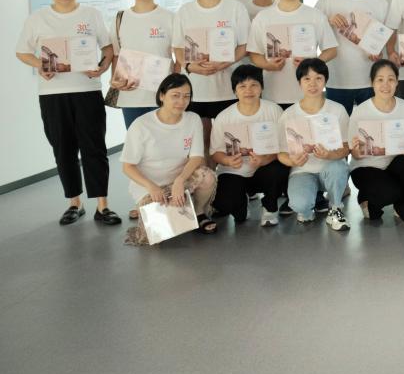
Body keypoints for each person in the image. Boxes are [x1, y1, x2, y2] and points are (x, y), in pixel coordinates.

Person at [16, 0, 121, 226]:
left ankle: (103, 205)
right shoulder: (38, 18)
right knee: (63, 149)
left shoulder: (91, 14)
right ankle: (74, 203)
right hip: (53, 94)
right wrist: (40, 65)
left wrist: (102, 67)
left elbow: (108, 48)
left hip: (87, 91)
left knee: (94, 148)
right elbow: (22, 51)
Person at [121, 74, 218, 245]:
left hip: (180, 182)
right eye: (175, 95)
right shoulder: (141, 125)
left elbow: (196, 156)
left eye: (186, 96)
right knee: (153, 237)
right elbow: (127, 166)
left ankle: (199, 212)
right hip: (152, 188)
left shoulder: (192, 119)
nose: (181, 101)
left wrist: (179, 180)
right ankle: (173, 209)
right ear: (161, 96)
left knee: (207, 176)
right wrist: (151, 187)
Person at [172, 0, 251, 153]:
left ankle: (226, 173)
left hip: (229, 88)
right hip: (197, 89)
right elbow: (178, 48)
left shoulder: (235, 8)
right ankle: (206, 174)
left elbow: (245, 46)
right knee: (202, 143)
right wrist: (189, 66)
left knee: (230, 142)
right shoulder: (185, 11)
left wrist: (223, 63)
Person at [209, 65, 290, 226]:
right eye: (242, 86)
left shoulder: (274, 111)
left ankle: (270, 208)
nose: (248, 90)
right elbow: (215, 152)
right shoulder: (224, 117)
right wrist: (228, 161)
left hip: (265, 168)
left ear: (262, 88)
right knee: (228, 208)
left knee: (278, 170)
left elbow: (284, 146)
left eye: (254, 85)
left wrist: (265, 159)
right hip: (234, 170)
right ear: (235, 91)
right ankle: (241, 203)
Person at [247, 0, 338, 108]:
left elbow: (331, 50)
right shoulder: (263, 17)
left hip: (308, 93)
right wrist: (268, 65)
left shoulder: (315, 15)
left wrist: (311, 65)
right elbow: (254, 53)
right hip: (274, 92)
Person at [277, 58, 351, 229]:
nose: (313, 84)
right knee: (300, 205)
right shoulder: (289, 114)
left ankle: (335, 209)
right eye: (307, 79)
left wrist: (331, 154)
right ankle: (306, 209)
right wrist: (292, 161)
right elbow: (281, 153)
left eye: (318, 78)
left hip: (330, 168)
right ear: (299, 83)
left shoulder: (337, 110)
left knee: (338, 167)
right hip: (302, 171)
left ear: (325, 81)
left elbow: (347, 147)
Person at [315, 0, 389, 113]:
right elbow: (312, 29)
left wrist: (378, 53)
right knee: (338, 125)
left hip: (370, 78)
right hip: (337, 78)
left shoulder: (380, 3)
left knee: (368, 123)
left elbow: (383, 40)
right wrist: (328, 20)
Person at [347, 59, 404, 223]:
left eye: (391, 79)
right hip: (366, 167)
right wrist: (357, 151)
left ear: (397, 82)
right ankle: (366, 199)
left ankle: (401, 205)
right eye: (380, 80)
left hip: (393, 164)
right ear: (372, 83)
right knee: (389, 193)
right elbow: (355, 154)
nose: (385, 85)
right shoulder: (360, 111)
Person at [109, 0, 176, 129]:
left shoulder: (170, 17)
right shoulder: (120, 18)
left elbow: (180, 57)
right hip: (130, 96)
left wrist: (176, 87)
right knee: (136, 140)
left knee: (164, 140)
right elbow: (116, 54)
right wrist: (115, 80)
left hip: (162, 95)